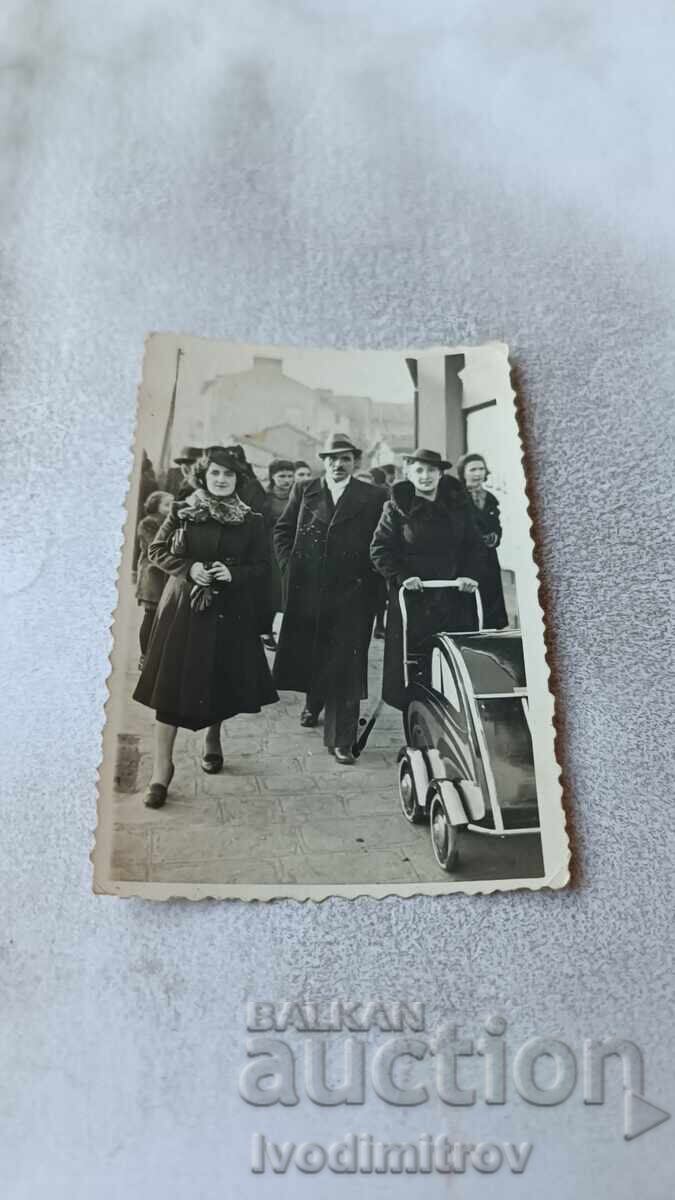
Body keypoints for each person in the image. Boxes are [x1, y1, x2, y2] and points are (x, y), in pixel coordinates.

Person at [133, 446, 278, 808]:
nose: (221, 480)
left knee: (218, 681)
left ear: (237, 480)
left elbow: (263, 566)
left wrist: (235, 573)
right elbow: (157, 550)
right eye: (215, 474)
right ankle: (160, 771)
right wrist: (188, 569)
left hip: (230, 612)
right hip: (182, 610)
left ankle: (213, 739)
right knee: (169, 687)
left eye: (228, 475)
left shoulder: (252, 521)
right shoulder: (183, 512)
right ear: (203, 477)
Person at [272, 433, 386, 764]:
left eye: (345, 458)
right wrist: (290, 567)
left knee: (347, 665)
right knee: (316, 657)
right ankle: (313, 703)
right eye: (332, 458)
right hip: (310, 594)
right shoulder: (306, 491)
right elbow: (282, 531)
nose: (338, 464)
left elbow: (381, 539)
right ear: (324, 461)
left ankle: (342, 738)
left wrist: (374, 584)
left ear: (356, 462)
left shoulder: (374, 495)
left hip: (354, 594)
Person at [370, 447, 486, 711]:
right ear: (409, 473)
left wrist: (469, 575)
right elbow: (379, 550)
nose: (425, 476)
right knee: (414, 665)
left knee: (453, 663)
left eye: (431, 471)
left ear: (441, 474)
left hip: (453, 596)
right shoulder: (397, 507)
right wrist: (403, 577)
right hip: (415, 599)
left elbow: (475, 546)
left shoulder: (457, 505)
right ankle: (417, 724)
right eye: (419, 470)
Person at [456, 452, 508, 629]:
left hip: (488, 559)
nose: (478, 473)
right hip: (465, 559)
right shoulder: (456, 497)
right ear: (463, 472)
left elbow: (496, 525)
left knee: (490, 602)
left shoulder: (491, 499)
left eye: (481, 469)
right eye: (473, 469)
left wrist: (495, 536)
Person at [135, 490, 173, 668]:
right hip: (153, 576)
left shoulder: (172, 522)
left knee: (162, 616)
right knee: (151, 615)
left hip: (166, 574)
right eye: (167, 504)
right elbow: (154, 550)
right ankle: (145, 656)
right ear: (155, 506)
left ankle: (157, 655)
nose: (172, 507)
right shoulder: (149, 523)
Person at [261, 458, 295, 649]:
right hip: (269, 548)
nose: (286, 480)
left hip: (291, 547)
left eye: (290, 476)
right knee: (273, 590)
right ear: (272, 477)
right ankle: (266, 630)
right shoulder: (266, 498)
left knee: (290, 589)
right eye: (282, 476)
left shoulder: (298, 495)